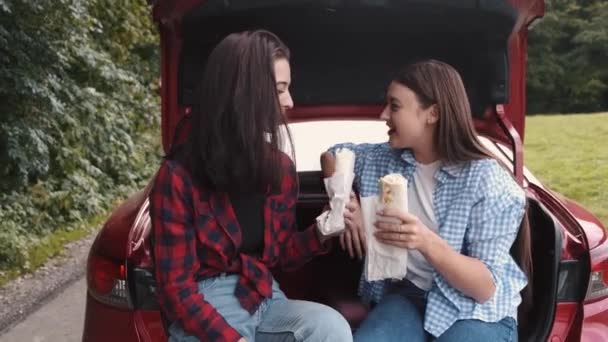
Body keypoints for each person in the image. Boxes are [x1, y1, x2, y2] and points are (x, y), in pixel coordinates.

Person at [150, 30, 353, 342]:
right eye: (280, 89)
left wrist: (322, 230)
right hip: (203, 306)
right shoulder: (178, 178)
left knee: (330, 327)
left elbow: (281, 256)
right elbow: (176, 288)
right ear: (244, 92)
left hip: (261, 293)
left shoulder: (279, 169)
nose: (290, 101)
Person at [322, 60, 531, 342]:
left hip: (476, 308)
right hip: (409, 295)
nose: (384, 115)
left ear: (432, 114)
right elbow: (332, 155)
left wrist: (423, 240)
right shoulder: (382, 159)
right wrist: (347, 204)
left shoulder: (488, 181)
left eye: (394, 106)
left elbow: (483, 288)